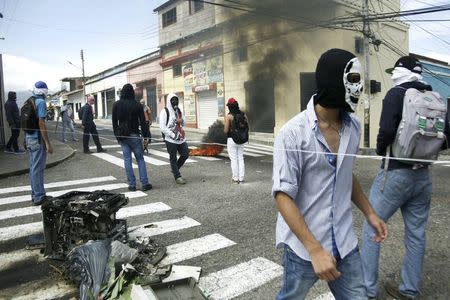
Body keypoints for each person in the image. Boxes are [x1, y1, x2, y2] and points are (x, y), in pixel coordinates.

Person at [272, 48, 388, 300]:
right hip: (304, 248)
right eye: (354, 80)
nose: (359, 88)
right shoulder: (292, 133)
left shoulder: (353, 127)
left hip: (345, 243)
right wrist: (314, 250)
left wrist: (370, 213)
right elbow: (282, 195)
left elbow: (345, 174)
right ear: (334, 79)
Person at [361, 56, 450, 300]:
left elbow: (386, 131)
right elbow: (447, 137)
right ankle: (409, 290)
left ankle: (368, 291)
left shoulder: (396, 94)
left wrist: (381, 149)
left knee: (372, 228)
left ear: (400, 72)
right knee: (416, 234)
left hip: (395, 173)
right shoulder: (435, 98)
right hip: (423, 175)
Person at [112, 84, 152, 192]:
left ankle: (132, 185)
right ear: (132, 93)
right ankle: (145, 183)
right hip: (134, 135)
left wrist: (118, 136)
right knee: (140, 159)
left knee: (127, 160)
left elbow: (114, 123)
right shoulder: (137, 105)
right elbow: (143, 123)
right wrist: (146, 136)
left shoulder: (116, 105)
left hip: (123, 136)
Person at [26, 81, 53, 205]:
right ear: (44, 91)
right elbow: (41, 123)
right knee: (38, 168)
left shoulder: (30, 100)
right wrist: (48, 143)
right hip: (37, 138)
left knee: (33, 168)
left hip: (29, 138)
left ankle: (35, 194)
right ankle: (39, 196)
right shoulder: (41, 102)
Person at [159, 93, 189, 184]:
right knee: (173, 158)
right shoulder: (165, 111)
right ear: (169, 101)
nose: (175, 102)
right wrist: (172, 135)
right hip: (171, 139)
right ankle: (177, 176)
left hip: (181, 138)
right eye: (172, 100)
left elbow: (184, 124)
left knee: (185, 154)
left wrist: (181, 120)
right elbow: (162, 127)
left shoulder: (179, 111)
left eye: (176, 100)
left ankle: (175, 169)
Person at [223, 97, 248, 183]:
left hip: (232, 139)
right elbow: (247, 126)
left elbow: (226, 131)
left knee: (234, 159)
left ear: (229, 107)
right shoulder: (243, 114)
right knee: (240, 158)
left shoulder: (229, 116)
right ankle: (241, 178)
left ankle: (235, 178)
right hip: (241, 139)